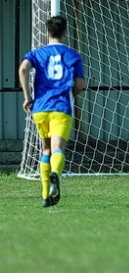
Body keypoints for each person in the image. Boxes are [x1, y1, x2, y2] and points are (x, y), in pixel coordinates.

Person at [18, 15, 86, 207]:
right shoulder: (73, 56)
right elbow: (80, 84)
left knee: (46, 149)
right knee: (57, 149)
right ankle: (56, 174)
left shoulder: (37, 54)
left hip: (40, 107)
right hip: (61, 107)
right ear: (65, 33)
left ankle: (46, 195)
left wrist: (27, 96)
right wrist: (72, 94)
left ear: (47, 33)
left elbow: (23, 69)